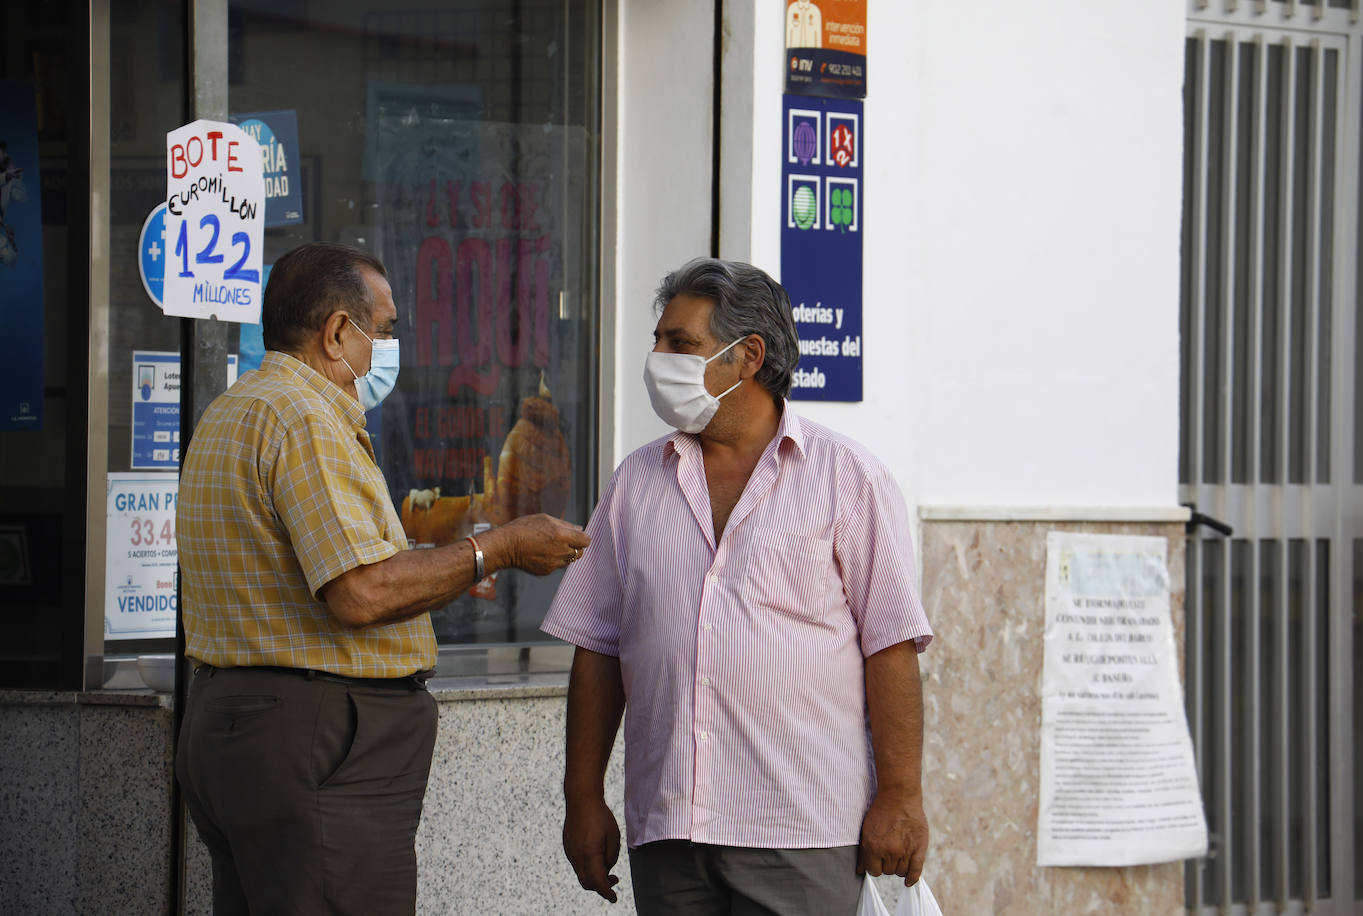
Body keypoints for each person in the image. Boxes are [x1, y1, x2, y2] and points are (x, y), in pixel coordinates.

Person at [175, 241, 589, 915]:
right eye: (385, 330)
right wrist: (499, 548)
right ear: (338, 332)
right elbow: (361, 591)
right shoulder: (303, 418)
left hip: (237, 724)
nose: (387, 347)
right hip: (316, 736)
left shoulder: (236, 409)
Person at [543, 257, 933, 914]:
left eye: (680, 344)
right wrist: (582, 798)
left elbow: (890, 646)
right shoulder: (637, 482)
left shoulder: (847, 479)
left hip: (801, 829)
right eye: (659, 341)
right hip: (670, 830)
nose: (657, 359)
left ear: (748, 356)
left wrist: (901, 795)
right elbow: (598, 647)